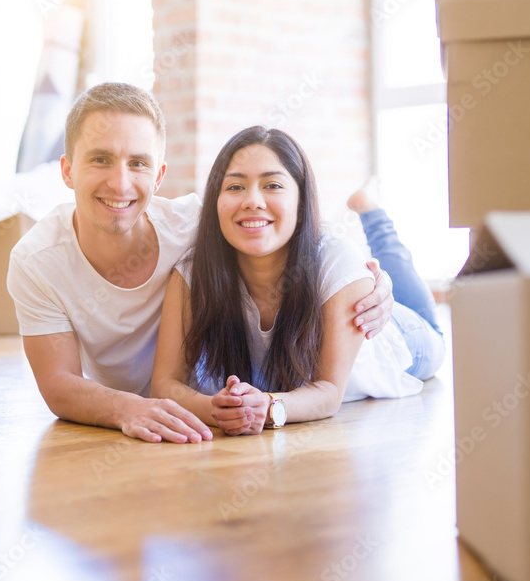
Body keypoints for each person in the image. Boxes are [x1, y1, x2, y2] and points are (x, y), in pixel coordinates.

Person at [6, 83, 397, 444]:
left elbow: (301, 236)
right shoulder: (36, 261)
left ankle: (375, 214)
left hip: (385, 346)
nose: (121, 183)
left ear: (159, 175)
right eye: (101, 159)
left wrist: (376, 284)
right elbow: (58, 383)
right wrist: (130, 407)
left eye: (138, 163)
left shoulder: (201, 225)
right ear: (67, 171)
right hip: (190, 398)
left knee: (425, 325)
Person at [150, 126, 445, 435]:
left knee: (432, 329)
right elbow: (165, 383)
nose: (252, 200)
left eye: (272, 185)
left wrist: (268, 406)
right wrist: (217, 410)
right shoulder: (192, 273)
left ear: (302, 205)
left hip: (400, 337)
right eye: (235, 187)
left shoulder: (337, 261)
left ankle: (373, 211)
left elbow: (329, 392)